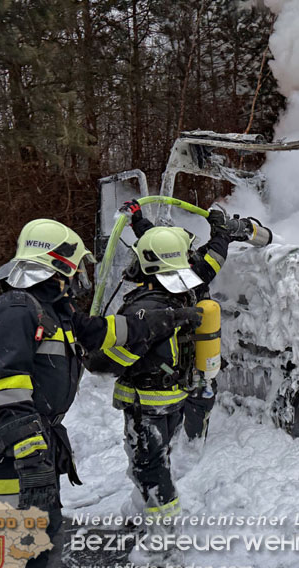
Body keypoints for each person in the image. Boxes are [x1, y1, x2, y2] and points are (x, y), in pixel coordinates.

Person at [0, 219, 200, 568]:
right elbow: (4, 386)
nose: (79, 276)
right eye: (77, 266)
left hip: (35, 457)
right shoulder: (15, 309)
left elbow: (105, 331)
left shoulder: (54, 312)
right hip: (2, 462)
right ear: (59, 262)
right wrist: (30, 450)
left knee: (39, 559)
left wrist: (167, 320)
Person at [86, 200, 234, 523]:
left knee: (149, 467)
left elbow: (109, 361)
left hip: (144, 403)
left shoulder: (143, 309)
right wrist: (220, 229)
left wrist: (89, 351)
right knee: (154, 461)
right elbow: (162, 248)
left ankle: (164, 537)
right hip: (175, 398)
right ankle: (142, 509)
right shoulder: (192, 282)